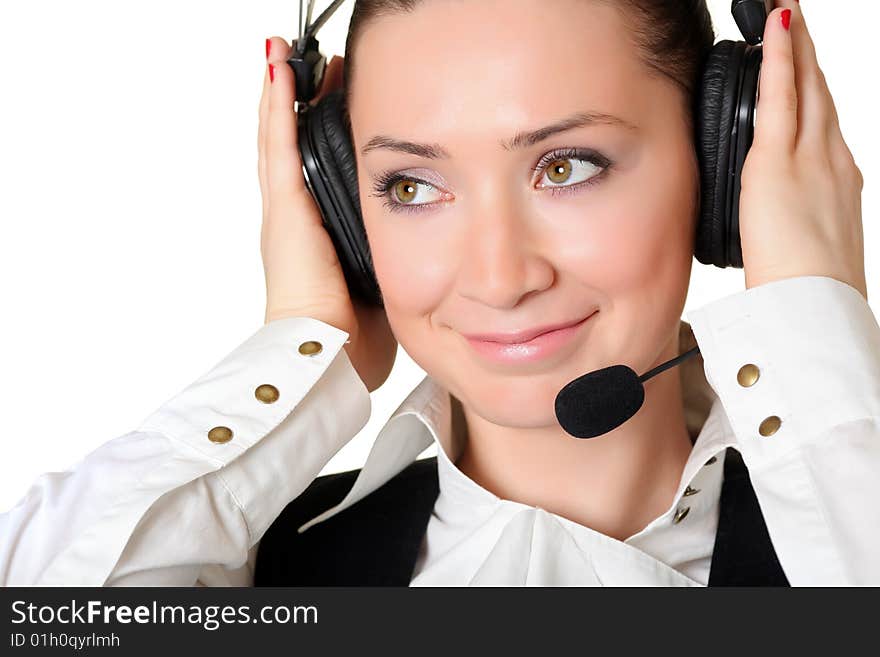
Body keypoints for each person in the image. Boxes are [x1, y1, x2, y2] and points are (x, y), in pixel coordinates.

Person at [1, 0, 876, 586]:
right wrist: (299, 342)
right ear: (341, 209)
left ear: (730, 160)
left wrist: (812, 321)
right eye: (411, 186)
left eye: (566, 167)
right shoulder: (239, 560)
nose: (498, 276)